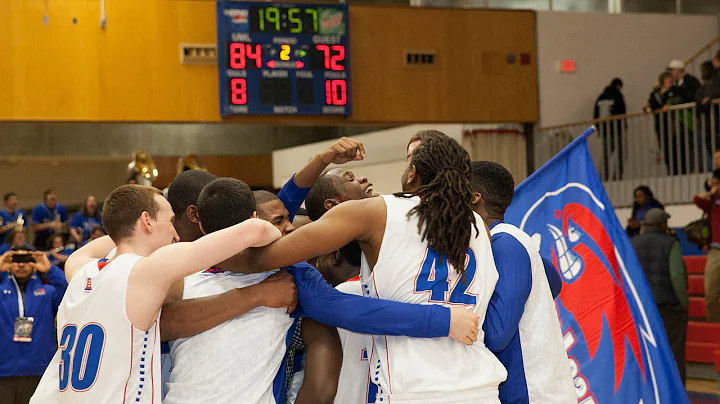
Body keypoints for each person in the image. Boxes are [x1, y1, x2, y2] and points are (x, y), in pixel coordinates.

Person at [163, 180, 475, 404]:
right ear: (255, 219)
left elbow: (342, 311)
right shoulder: (285, 274)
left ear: (200, 225)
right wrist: (440, 318)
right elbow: (348, 311)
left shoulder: (174, 268)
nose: (287, 228)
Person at [252, 132, 507, 403]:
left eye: (409, 158)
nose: (363, 179)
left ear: (413, 173)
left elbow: (271, 254)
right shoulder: (476, 224)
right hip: (481, 384)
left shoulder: (378, 214)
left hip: (417, 387)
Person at [30, 184, 282, 404]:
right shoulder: (148, 271)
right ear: (147, 221)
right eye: (171, 221)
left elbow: (109, 240)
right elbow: (256, 231)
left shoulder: (78, 268)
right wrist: (275, 232)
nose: (175, 232)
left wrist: (126, 226)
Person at [468, 161, 575, 403]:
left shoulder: (504, 243)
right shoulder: (510, 239)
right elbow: (553, 281)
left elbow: (496, 334)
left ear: (475, 198)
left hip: (530, 391)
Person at [0, 246, 67, 404]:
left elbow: (69, 293)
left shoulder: (48, 292)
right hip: (3, 371)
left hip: (40, 372)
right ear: (8, 263)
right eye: (16, 260)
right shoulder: (1, 291)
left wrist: (50, 269)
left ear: (35, 262)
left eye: (27, 260)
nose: (21, 265)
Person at [630, 208, 688, 384]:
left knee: (643, 351)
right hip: (667, 307)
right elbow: (677, 275)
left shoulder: (633, 243)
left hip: (641, 308)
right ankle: (675, 390)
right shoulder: (671, 243)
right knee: (673, 351)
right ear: (663, 224)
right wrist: (684, 302)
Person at [647, 72, 692, 175]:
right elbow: (653, 104)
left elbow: (682, 99)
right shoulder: (656, 93)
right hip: (662, 125)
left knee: (679, 148)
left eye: (670, 80)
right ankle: (671, 171)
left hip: (675, 124)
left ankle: (683, 171)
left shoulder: (676, 91)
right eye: (667, 80)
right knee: (666, 149)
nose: (669, 82)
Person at [693, 183, 720, 322]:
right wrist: (710, 193)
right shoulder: (712, 203)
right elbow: (696, 198)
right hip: (715, 252)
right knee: (710, 291)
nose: (715, 187)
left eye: (717, 183)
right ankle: (715, 322)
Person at [594, 78, 627, 180]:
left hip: (605, 130)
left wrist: (598, 128)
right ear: (618, 86)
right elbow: (622, 111)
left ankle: (604, 177)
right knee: (620, 154)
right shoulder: (618, 95)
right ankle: (617, 176)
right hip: (617, 129)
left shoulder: (601, 97)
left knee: (606, 155)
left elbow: (595, 114)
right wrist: (624, 126)